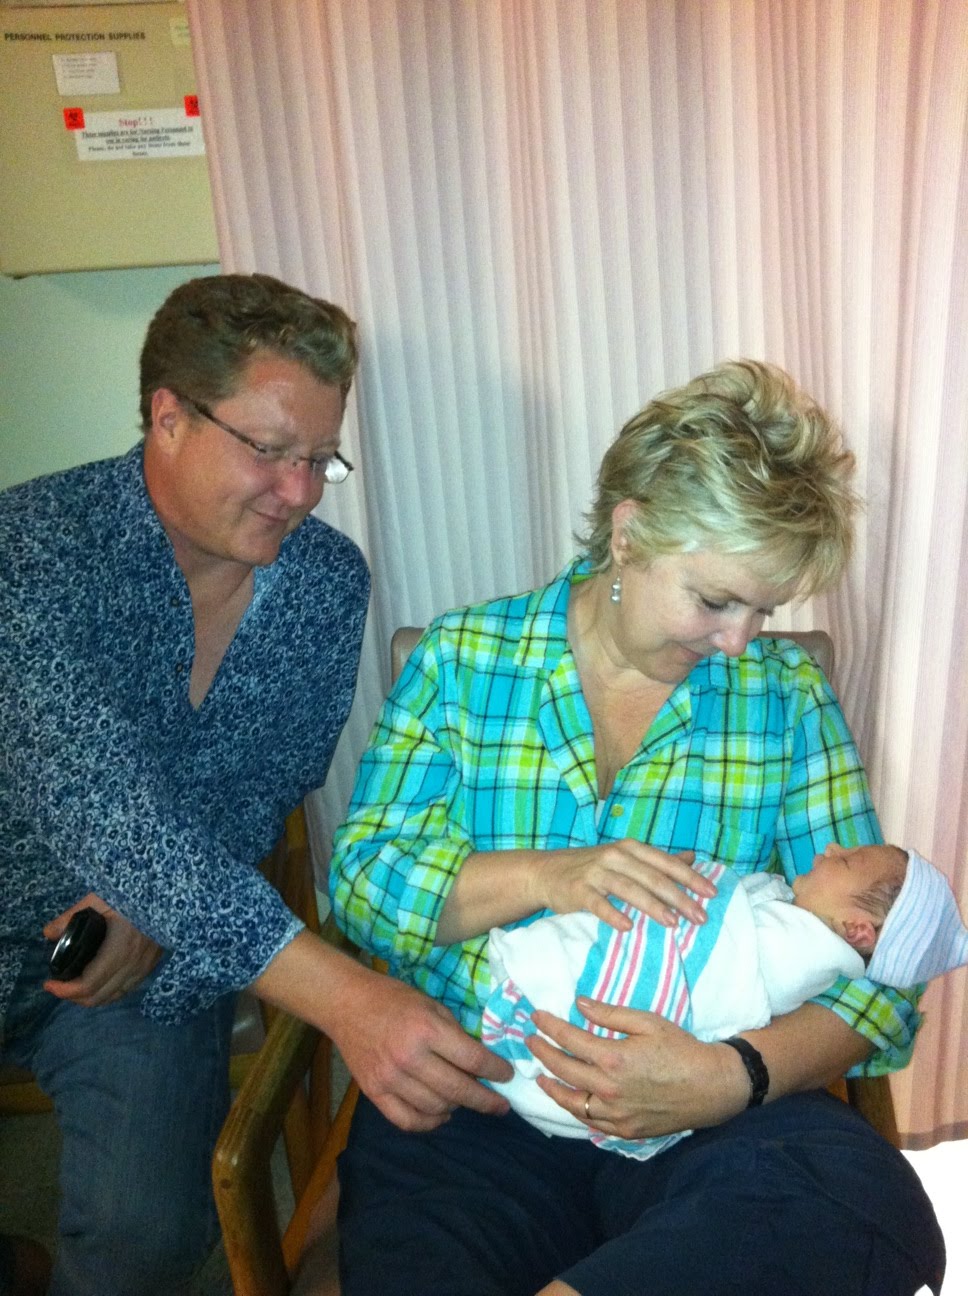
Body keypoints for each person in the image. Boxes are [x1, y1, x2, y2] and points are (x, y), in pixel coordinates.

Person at [330, 359, 945, 1296]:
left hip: (703, 1116)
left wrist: (729, 1076)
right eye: (716, 600)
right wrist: (547, 876)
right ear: (628, 532)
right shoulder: (464, 661)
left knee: (866, 1206)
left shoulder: (783, 698)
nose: (740, 640)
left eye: (764, 609)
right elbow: (365, 883)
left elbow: (884, 977)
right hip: (479, 1098)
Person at [0, 273, 509, 1296]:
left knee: (146, 1234)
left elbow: (269, 780)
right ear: (169, 416)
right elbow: (99, 799)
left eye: (319, 458)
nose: (301, 491)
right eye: (270, 450)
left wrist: (155, 912)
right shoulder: (31, 552)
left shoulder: (324, 580)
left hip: (143, 956)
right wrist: (351, 1000)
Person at [483, 841, 968, 1156]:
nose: (831, 847)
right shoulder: (793, 916)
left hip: (661, 1075)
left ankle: (537, 983)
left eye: (844, 861)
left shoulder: (800, 954)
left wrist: (726, 1075)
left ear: (858, 930)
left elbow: (715, 973)